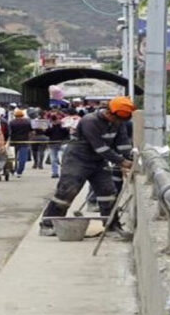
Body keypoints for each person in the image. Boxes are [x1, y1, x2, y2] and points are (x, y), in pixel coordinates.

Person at [39, 96, 136, 237]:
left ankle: (111, 226)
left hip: (98, 161)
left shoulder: (118, 122)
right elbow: (100, 147)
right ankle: (48, 224)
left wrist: (129, 157)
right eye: (117, 119)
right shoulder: (90, 121)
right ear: (109, 112)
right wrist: (121, 162)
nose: (118, 123)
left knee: (108, 192)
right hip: (77, 159)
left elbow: (123, 142)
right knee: (67, 191)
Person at [9, 109, 33, 179]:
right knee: (23, 158)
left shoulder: (12, 122)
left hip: (13, 141)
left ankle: (14, 169)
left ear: (15, 115)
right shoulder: (27, 122)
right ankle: (20, 171)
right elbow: (31, 132)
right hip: (24, 141)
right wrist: (30, 139)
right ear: (22, 115)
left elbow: (9, 132)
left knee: (13, 157)